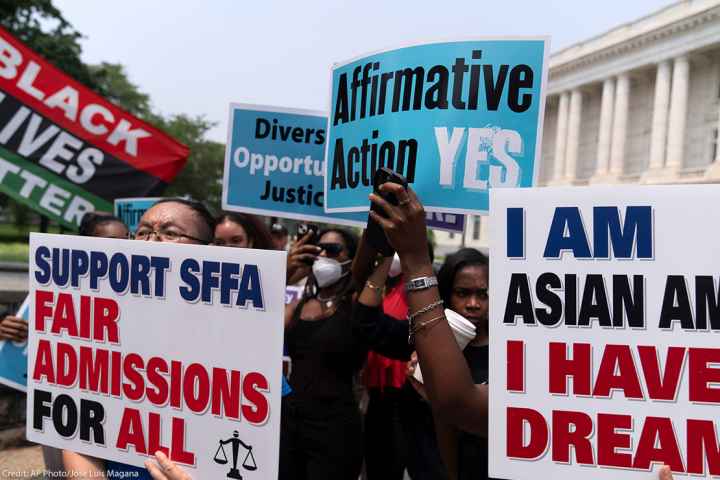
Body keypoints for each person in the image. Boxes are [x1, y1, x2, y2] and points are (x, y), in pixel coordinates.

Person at [62, 198, 215, 480]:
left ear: (209, 249)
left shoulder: (242, 334)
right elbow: (79, 436)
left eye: (170, 233)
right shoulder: (97, 326)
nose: (152, 242)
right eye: (143, 232)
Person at [280, 227, 375, 480]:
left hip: (335, 426)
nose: (323, 255)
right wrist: (287, 271)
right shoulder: (300, 304)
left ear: (351, 258)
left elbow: (367, 262)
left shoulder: (356, 303)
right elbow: (262, 326)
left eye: (332, 250)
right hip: (292, 421)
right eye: (318, 250)